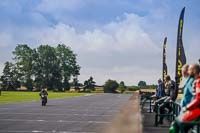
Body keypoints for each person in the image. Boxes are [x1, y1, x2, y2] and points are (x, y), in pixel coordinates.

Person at [170, 64, 200, 133]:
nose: (188, 71)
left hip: (193, 110)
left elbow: (197, 98)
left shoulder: (196, 81)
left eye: (189, 70)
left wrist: (187, 107)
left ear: (193, 71)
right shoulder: (195, 81)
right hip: (192, 109)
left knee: (177, 124)